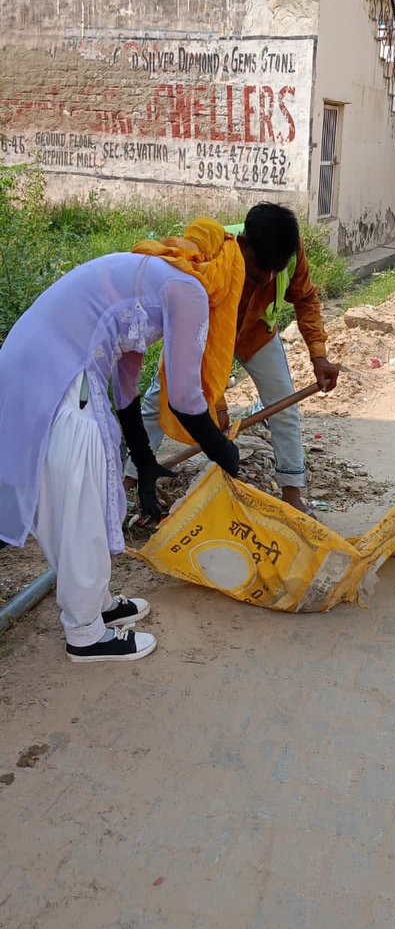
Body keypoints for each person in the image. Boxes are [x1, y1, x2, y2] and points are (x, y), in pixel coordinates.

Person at [0, 220, 245, 662]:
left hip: (38, 366)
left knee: (80, 499)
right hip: (59, 378)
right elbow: (189, 401)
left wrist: (145, 461)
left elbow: (126, 387)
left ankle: (98, 605)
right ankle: (86, 634)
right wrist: (225, 453)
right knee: (80, 505)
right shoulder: (188, 289)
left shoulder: (150, 271)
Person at [125, 203, 340, 512]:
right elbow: (195, 345)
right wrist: (217, 403)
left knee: (284, 409)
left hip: (256, 334)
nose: (267, 278)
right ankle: (130, 480)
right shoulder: (214, 253)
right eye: (259, 267)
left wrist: (318, 356)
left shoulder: (288, 251)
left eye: (273, 270)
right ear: (244, 245)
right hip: (205, 331)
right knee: (158, 400)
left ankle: (293, 493)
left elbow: (306, 298)